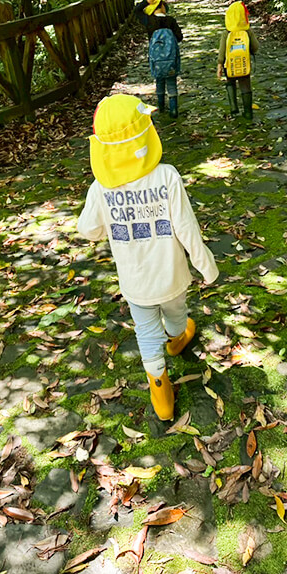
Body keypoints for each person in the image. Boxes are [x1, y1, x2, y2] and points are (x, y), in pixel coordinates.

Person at [77, 94, 218, 421]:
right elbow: (187, 228)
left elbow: (88, 228)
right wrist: (206, 266)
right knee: (176, 313)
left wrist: (108, 229)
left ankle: (159, 387)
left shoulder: (101, 188)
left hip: (135, 282)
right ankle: (178, 338)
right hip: (172, 277)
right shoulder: (167, 176)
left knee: (145, 331)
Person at [134, 0, 183, 118]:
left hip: (157, 61)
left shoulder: (149, 21)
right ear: (161, 6)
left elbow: (136, 11)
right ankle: (173, 110)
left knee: (159, 82)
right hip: (170, 60)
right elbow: (179, 37)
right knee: (171, 83)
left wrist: (146, 1)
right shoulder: (171, 21)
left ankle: (161, 107)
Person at [216, 1, 259, 120]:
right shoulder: (247, 31)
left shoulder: (226, 32)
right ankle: (248, 112)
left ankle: (234, 108)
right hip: (244, 65)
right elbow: (255, 47)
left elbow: (222, 51)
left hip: (229, 65)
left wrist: (220, 65)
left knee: (230, 83)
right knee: (246, 87)